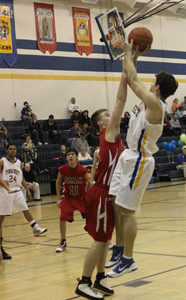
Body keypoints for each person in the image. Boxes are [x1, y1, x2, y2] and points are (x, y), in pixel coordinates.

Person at [106, 39, 178, 278]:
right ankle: (118, 249)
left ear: (157, 87)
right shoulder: (150, 98)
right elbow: (132, 76)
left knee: (127, 210)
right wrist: (133, 56)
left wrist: (129, 53)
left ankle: (129, 258)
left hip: (140, 159)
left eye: (154, 81)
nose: (151, 82)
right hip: (128, 154)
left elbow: (134, 80)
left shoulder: (155, 104)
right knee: (116, 203)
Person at [75, 58, 128, 300]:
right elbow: (120, 100)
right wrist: (126, 72)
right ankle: (83, 283)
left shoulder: (114, 138)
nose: (112, 114)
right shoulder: (109, 133)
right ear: (100, 123)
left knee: (105, 238)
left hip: (109, 192)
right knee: (100, 239)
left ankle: (100, 277)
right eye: (107, 115)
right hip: (101, 192)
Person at [0, 144, 47, 259]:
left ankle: (35, 228)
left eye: (14, 149)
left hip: (17, 189)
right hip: (6, 190)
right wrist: (7, 188)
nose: (13, 151)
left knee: (25, 208)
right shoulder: (2, 161)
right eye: (10, 149)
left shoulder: (19, 163)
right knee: (2, 217)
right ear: (7, 151)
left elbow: (21, 178)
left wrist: (27, 190)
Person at [56, 148, 91, 253]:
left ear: (76, 157)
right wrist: (58, 198)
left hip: (81, 198)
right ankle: (63, 241)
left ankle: (102, 239)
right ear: (66, 157)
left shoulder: (82, 170)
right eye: (68, 155)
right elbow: (58, 183)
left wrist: (89, 194)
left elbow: (90, 182)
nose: (70, 156)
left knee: (92, 217)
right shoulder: (62, 169)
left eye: (72, 154)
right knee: (62, 218)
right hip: (68, 198)